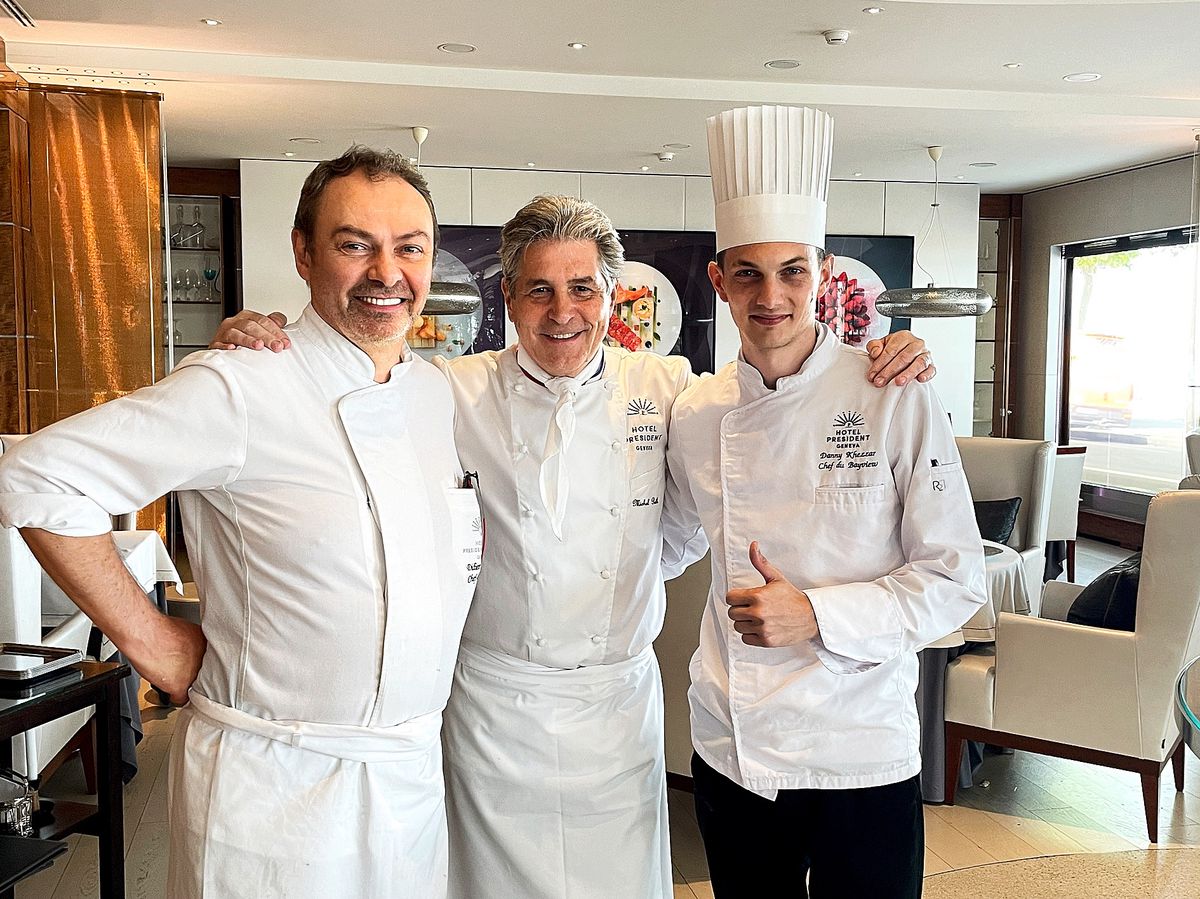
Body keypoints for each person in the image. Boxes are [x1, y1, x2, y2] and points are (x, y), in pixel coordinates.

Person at [212, 195, 935, 898]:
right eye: (540, 291)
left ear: (612, 294)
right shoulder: (447, 390)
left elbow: (719, 486)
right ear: (509, 296)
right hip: (493, 711)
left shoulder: (670, 386)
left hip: (615, 709)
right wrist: (273, 344)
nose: (563, 313)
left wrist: (875, 357)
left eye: (582, 289)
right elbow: (342, 386)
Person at [0, 147, 481, 898]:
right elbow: (32, 475)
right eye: (355, 244)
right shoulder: (241, 384)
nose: (387, 272)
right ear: (303, 251)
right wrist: (151, 640)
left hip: (408, 780)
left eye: (409, 248)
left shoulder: (433, 395)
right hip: (273, 788)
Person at [666, 105, 988, 898]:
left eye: (792, 271)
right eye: (747, 272)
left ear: (825, 271)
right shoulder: (696, 413)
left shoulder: (893, 392)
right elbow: (662, 539)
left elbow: (956, 580)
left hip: (860, 750)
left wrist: (814, 613)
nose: (770, 295)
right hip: (733, 747)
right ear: (718, 279)